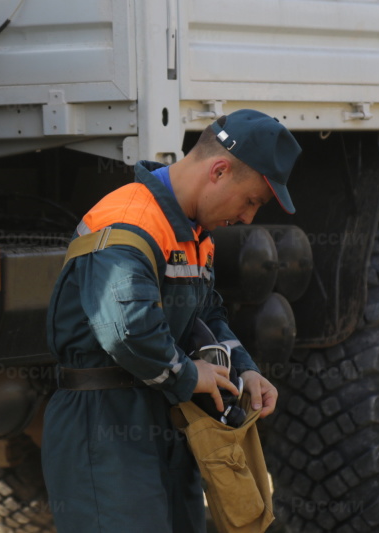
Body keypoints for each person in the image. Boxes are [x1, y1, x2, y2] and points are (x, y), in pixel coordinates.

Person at [42, 109, 302, 532]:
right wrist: (186, 374)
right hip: (104, 422)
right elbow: (126, 331)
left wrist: (246, 371)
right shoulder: (130, 221)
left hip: (162, 413)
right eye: (251, 200)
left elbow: (207, 314)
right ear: (219, 170)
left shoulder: (193, 235)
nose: (249, 217)